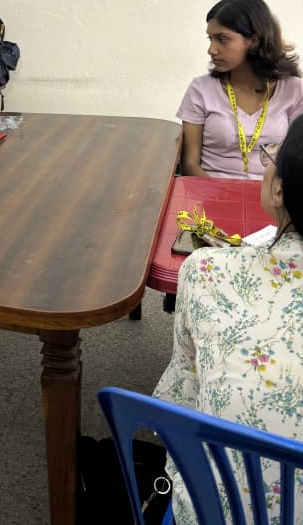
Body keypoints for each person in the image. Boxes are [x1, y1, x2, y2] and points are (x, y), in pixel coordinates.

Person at [154, 116, 303, 523]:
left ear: (279, 187)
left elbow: (177, 405)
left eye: (274, 153)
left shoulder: (206, 271)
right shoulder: (204, 90)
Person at [178, 0, 303, 179]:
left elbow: (296, 164)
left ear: (254, 41)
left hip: (271, 198)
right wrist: (222, 197)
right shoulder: (200, 90)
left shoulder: (294, 90)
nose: (211, 50)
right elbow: (188, 164)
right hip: (211, 194)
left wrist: (272, 198)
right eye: (210, 39)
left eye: (222, 39)